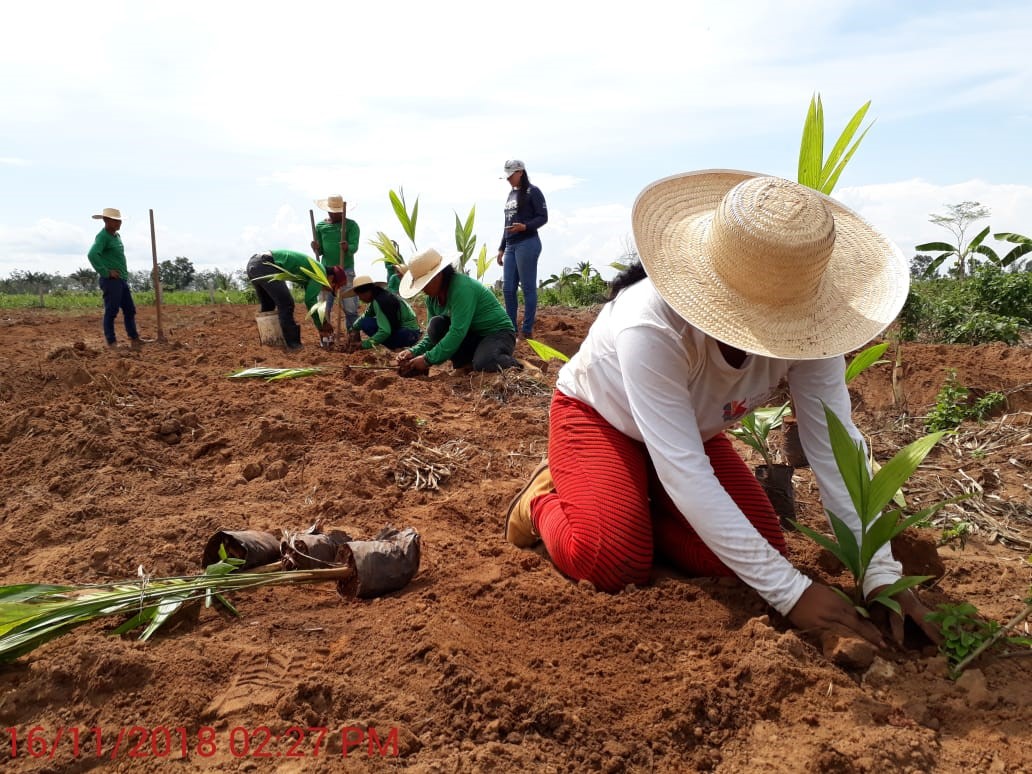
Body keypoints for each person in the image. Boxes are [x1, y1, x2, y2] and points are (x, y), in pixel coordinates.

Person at [504, 170, 940, 648]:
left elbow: (835, 450)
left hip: (688, 433)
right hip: (601, 417)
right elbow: (686, 471)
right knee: (614, 561)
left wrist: (880, 573)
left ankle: (634, 502)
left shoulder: (812, 332)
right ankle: (542, 501)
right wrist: (792, 594)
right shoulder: (650, 324)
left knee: (762, 551)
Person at [397, 248, 521, 375]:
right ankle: (465, 365)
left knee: (485, 363)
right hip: (473, 335)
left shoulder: (462, 288)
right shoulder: (432, 299)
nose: (422, 289)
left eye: (425, 283)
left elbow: (457, 332)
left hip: (498, 333)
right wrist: (414, 352)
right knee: (436, 325)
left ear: (438, 275)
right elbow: (431, 336)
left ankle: (518, 366)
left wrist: (427, 360)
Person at [246, 250, 348, 351]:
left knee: (268, 305)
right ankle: (294, 345)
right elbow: (310, 301)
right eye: (333, 287)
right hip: (266, 265)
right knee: (286, 304)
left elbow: (309, 297)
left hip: (255, 264)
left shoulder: (313, 269)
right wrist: (322, 324)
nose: (328, 289)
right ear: (330, 278)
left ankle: (269, 343)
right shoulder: (320, 272)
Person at [496, 159, 548, 339]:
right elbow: (507, 223)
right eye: (507, 176)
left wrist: (525, 226)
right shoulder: (511, 194)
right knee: (508, 289)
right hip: (510, 245)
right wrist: (501, 247)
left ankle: (526, 330)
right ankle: (511, 329)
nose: (508, 179)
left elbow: (543, 217)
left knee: (527, 288)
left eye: (511, 176)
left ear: (520, 172)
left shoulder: (533, 192)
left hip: (527, 242)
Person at [87, 207, 142, 350]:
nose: (119, 223)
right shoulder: (103, 236)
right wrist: (106, 272)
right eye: (116, 221)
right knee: (111, 311)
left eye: (120, 221)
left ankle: (134, 338)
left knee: (129, 309)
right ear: (106, 220)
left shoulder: (116, 236)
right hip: (111, 281)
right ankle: (111, 342)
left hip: (121, 280)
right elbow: (92, 254)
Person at [311, 194, 361, 329]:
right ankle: (327, 337)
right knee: (323, 307)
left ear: (343, 211)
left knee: (350, 308)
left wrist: (347, 247)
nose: (335, 215)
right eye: (332, 212)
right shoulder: (321, 226)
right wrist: (316, 248)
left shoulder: (351, 225)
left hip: (345, 271)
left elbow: (354, 247)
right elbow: (320, 251)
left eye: (338, 212)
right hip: (326, 272)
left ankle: (353, 335)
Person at [342, 274, 422, 351]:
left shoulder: (380, 301)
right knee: (365, 322)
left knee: (367, 324)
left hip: (408, 335)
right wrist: (354, 328)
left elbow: (385, 331)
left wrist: (364, 344)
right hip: (411, 333)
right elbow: (366, 314)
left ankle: (397, 347)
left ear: (366, 293)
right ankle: (396, 345)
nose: (360, 299)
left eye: (360, 296)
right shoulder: (379, 296)